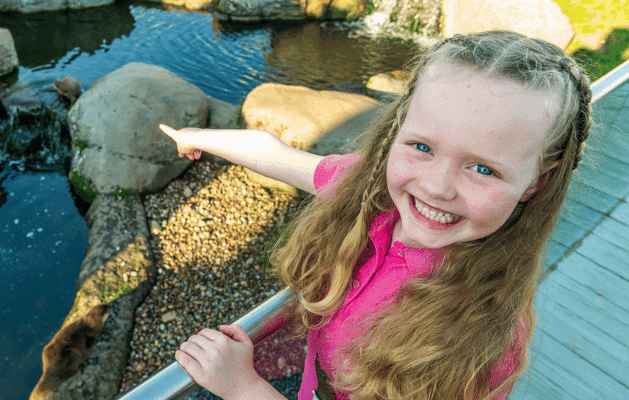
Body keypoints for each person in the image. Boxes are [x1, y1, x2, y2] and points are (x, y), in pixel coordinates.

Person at [159, 29, 593, 400]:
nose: (436, 187)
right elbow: (279, 156)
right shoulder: (368, 192)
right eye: (422, 147)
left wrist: (244, 388)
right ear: (398, 128)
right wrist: (195, 136)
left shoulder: (484, 341)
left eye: (483, 168)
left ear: (537, 182)